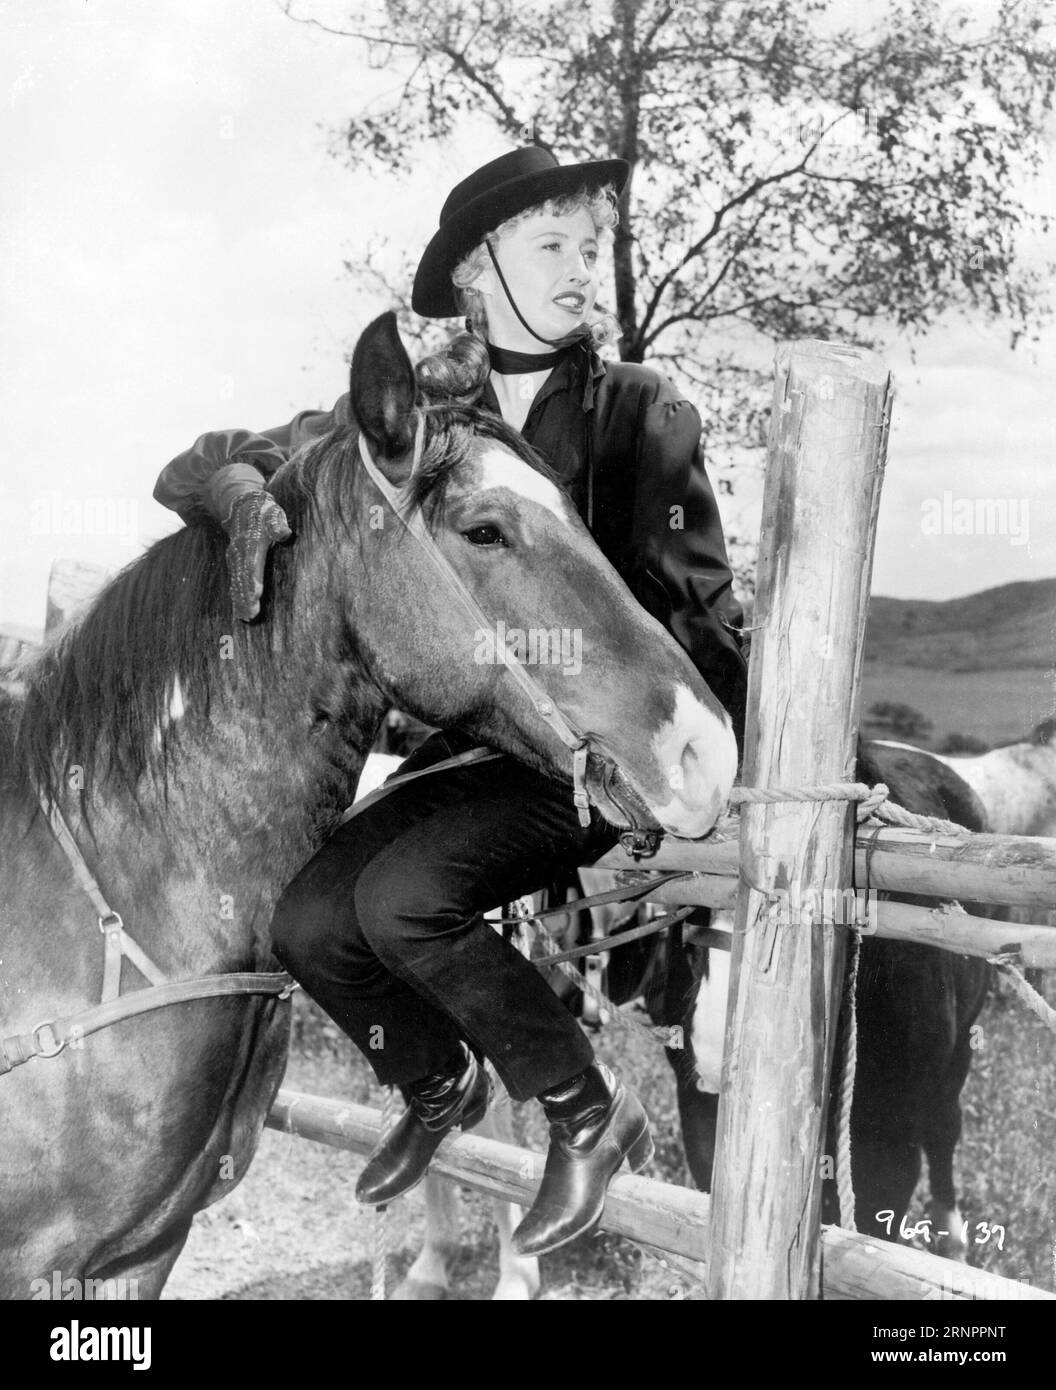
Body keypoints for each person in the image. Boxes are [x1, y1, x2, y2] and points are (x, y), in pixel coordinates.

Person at [153, 146, 747, 1258]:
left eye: (591, 247)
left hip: (604, 751)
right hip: (477, 755)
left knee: (406, 898)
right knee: (308, 917)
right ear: (477, 268)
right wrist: (241, 499)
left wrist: (685, 759)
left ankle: (587, 1112)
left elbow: (702, 611)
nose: (582, 270)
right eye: (552, 246)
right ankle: (434, 1077)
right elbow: (196, 460)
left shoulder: (637, 411)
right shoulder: (413, 421)